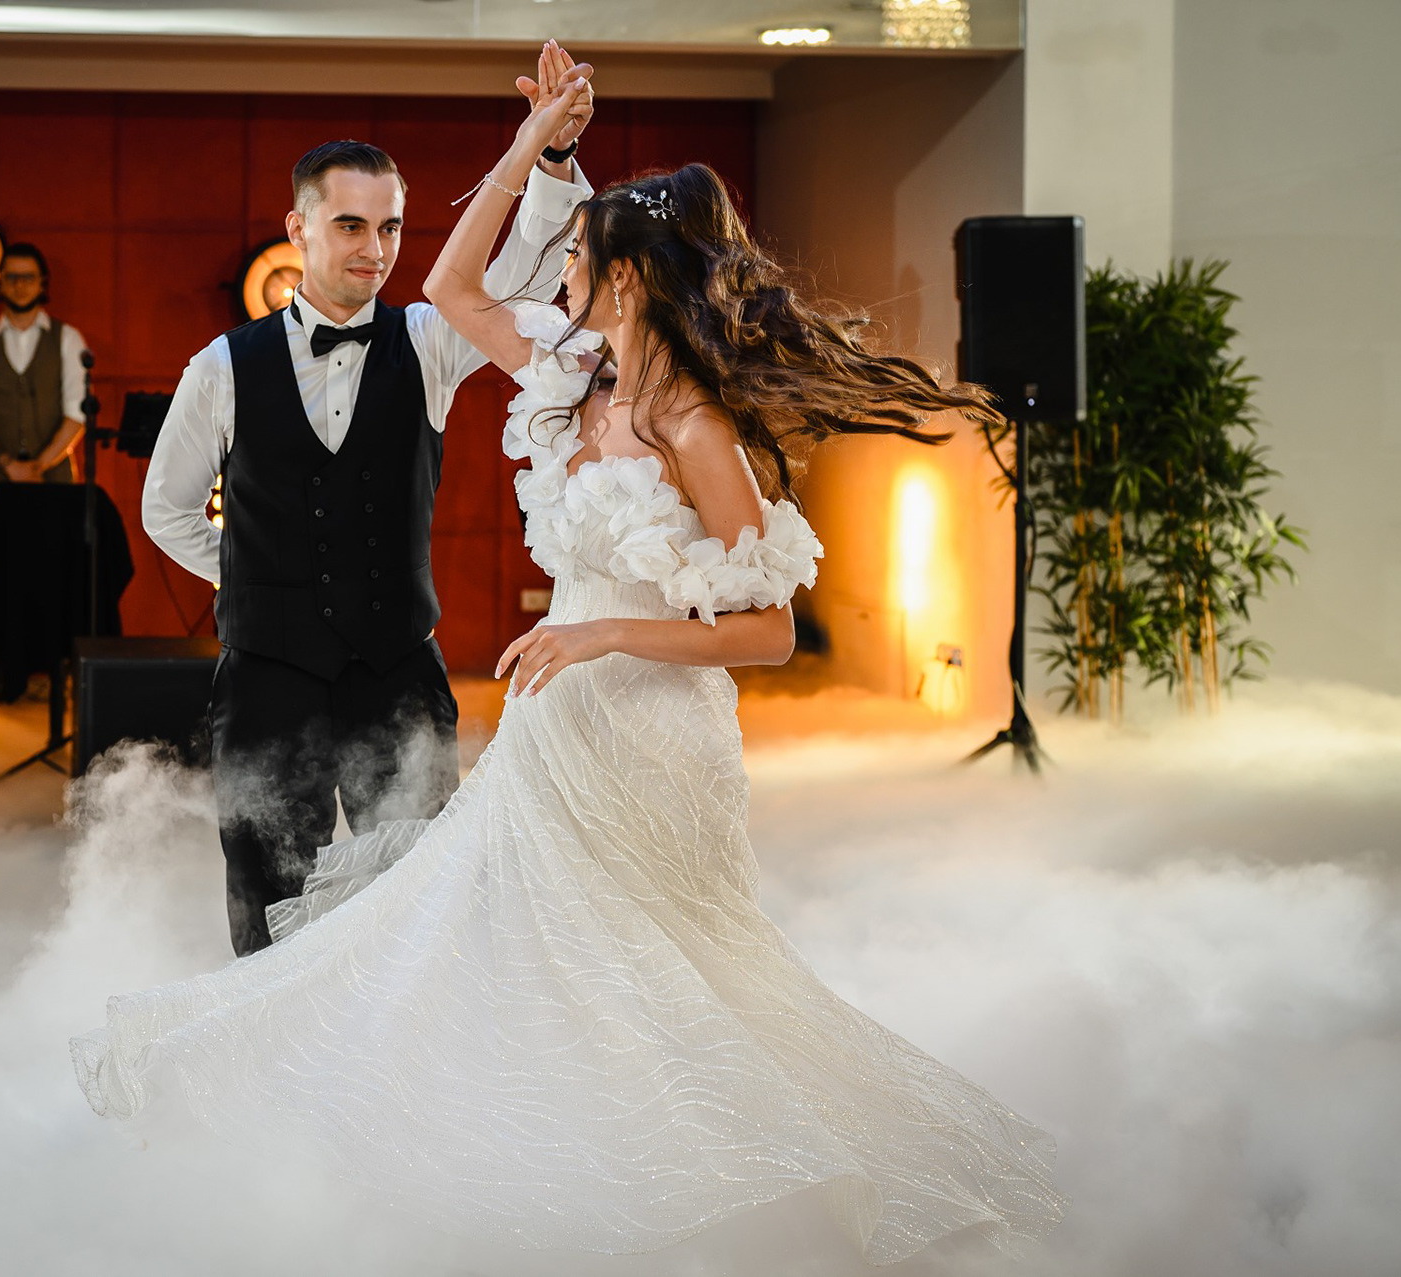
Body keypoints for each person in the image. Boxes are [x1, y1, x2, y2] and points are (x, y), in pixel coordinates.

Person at [76, 46, 1065, 1264]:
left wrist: (597, 629)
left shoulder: (694, 422)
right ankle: (409, 1155)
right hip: (549, 725)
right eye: (354, 226)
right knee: (492, 948)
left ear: (625, 277)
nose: (558, 269)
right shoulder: (570, 380)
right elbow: (458, 280)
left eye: (579, 255)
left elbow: (768, 629)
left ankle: (692, 1184)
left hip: (649, 729)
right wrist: (531, 140)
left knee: (656, 965)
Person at [140, 53, 596, 956]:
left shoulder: (429, 341)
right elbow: (169, 511)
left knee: (421, 900)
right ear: (298, 227)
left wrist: (549, 156)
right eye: (350, 224)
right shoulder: (221, 366)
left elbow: (516, 279)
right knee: (269, 904)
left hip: (399, 673)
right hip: (266, 679)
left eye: (389, 227)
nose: (374, 249)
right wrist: (259, 583)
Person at [0, 242, 88, 695]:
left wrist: (41, 464)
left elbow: (77, 413)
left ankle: (59, 681)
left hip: (55, 478)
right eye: (11, 277)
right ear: (0, 283)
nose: (19, 285)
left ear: (42, 282)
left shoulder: (67, 339)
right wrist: (10, 465)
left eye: (27, 277)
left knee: (59, 575)